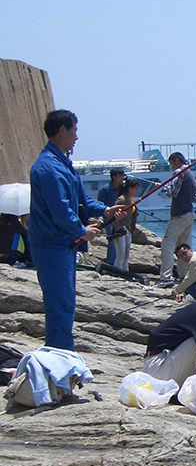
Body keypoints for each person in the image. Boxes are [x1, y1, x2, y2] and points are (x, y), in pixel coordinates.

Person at [28, 110, 125, 351]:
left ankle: (60, 358)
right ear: (62, 131)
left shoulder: (64, 164)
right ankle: (60, 361)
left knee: (66, 304)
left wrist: (106, 210)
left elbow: (82, 201)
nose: (77, 137)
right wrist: (82, 231)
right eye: (75, 130)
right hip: (51, 247)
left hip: (65, 246)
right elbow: (60, 211)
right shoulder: (48, 168)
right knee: (59, 306)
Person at [157, 152, 196, 288]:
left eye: (171, 163)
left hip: (179, 215)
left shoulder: (179, 172)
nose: (171, 167)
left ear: (176, 160)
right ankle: (184, 276)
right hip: (189, 213)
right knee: (185, 247)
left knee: (167, 244)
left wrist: (162, 188)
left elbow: (172, 193)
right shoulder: (191, 174)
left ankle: (165, 277)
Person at [97, 169, 126, 265]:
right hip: (109, 218)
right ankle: (111, 263)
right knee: (113, 240)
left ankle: (119, 263)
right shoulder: (105, 189)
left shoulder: (122, 188)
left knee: (122, 241)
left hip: (121, 217)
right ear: (114, 176)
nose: (123, 177)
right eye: (120, 175)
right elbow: (100, 204)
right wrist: (100, 218)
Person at [111, 178, 139, 271]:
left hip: (128, 229)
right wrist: (117, 229)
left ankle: (125, 272)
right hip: (120, 230)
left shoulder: (131, 199)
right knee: (121, 254)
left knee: (126, 254)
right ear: (129, 188)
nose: (136, 190)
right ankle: (118, 273)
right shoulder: (122, 199)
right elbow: (114, 216)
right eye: (135, 188)